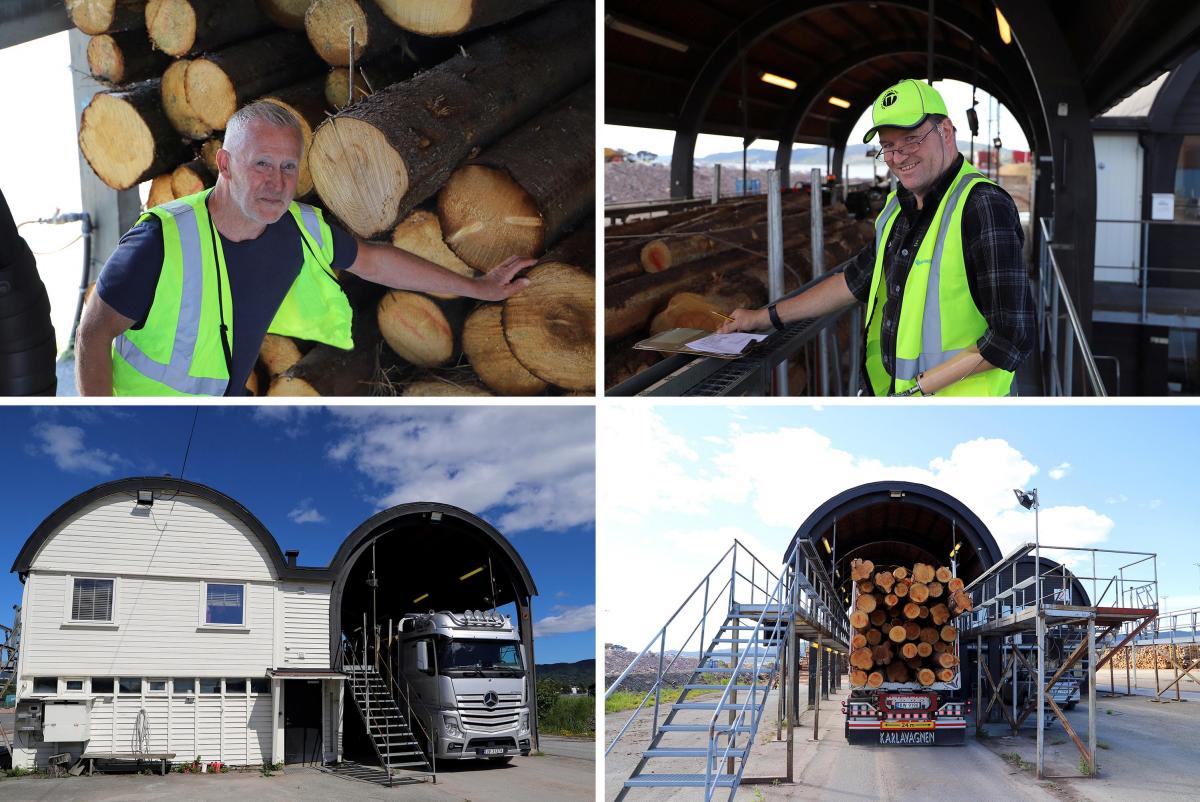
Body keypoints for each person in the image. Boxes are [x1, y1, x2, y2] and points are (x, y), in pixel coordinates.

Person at [76, 101, 534, 396]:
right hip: (142, 428)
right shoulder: (160, 240)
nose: (276, 183)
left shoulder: (298, 228)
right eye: (261, 164)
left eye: (288, 167)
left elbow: (375, 260)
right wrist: (105, 426)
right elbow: (91, 337)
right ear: (225, 164)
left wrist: (478, 287)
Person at [719, 79, 1033, 396]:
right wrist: (764, 317)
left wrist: (919, 389)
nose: (898, 157)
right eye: (889, 146)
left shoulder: (982, 206)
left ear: (946, 132)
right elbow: (854, 280)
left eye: (911, 139)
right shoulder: (899, 208)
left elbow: (1012, 337)